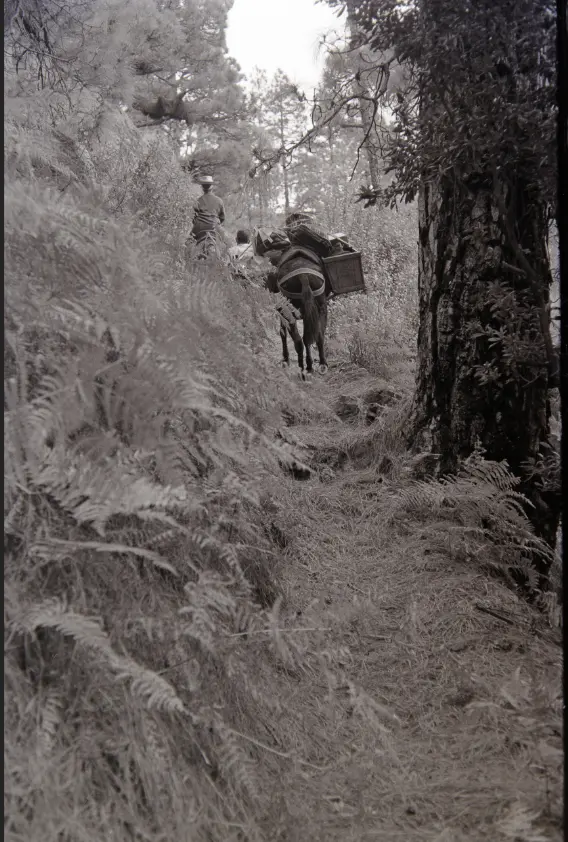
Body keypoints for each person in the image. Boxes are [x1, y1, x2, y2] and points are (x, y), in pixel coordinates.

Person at [191, 175, 225, 250]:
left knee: (189, 242)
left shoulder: (198, 201)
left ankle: (187, 258)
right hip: (214, 226)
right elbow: (222, 218)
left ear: (202, 188)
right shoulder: (219, 201)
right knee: (224, 243)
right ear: (212, 187)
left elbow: (193, 218)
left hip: (199, 227)